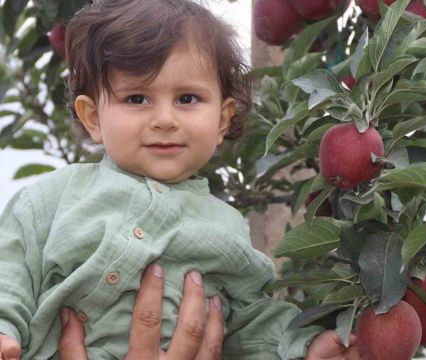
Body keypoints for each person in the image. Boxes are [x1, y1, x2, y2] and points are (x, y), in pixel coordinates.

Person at [0, 0, 360, 359]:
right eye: (137, 98)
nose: (165, 119)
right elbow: (11, 268)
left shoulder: (225, 228)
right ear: (93, 117)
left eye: (187, 98)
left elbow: (254, 320)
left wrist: (305, 348)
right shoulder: (54, 198)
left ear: (222, 119)